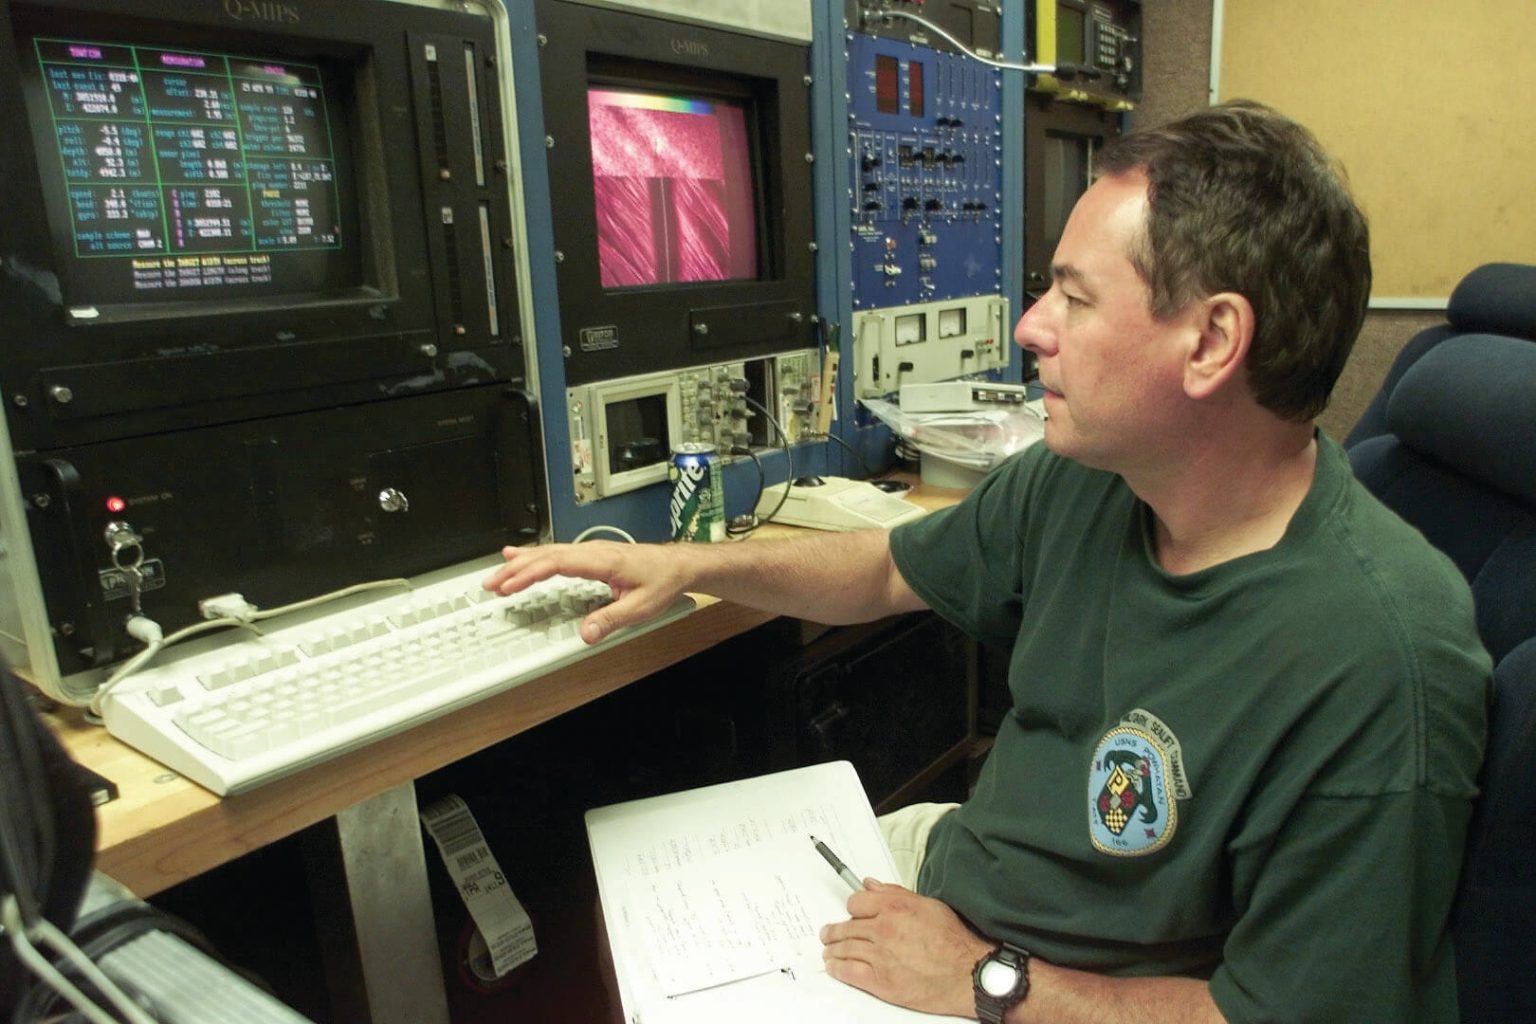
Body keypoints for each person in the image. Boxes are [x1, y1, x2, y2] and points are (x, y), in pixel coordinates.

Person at [484, 101, 1490, 1023]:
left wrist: (984, 979)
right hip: (960, 889)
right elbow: (888, 568)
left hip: (1035, 985)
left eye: (1074, 298)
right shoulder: (1089, 478)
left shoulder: (1379, 660)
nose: (1029, 327)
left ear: (1211, 341)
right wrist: (693, 566)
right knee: (632, 920)